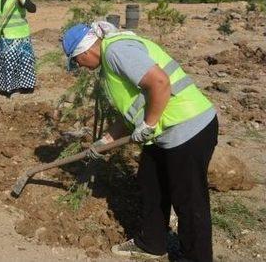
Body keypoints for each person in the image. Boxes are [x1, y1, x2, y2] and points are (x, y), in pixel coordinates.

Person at [61, 21, 218, 262]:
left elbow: (159, 82)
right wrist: (103, 142)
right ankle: (152, 244)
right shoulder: (107, 63)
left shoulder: (116, 51)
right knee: (150, 184)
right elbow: (131, 112)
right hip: (163, 132)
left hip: (188, 127)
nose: (80, 66)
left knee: (189, 200)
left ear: (85, 51)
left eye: (77, 61)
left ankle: (196, 257)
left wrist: (150, 123)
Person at [0, 0, 37, 97]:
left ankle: (17, 88)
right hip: (3, 35)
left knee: (17, 61)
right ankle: (1, 88)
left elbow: (32, 9)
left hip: (18, 36)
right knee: (1, 61)